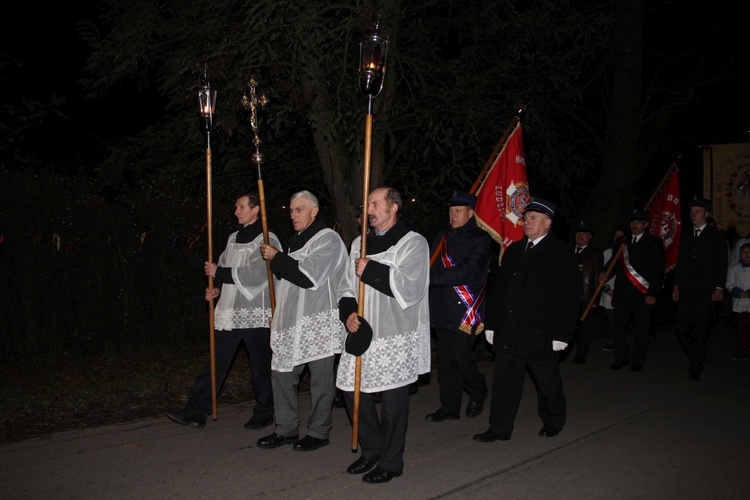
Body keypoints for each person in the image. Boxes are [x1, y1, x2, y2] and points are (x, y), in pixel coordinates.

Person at [336, 186, 430, 484]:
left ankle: (392, 461)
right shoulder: (358, 244)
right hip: (363, 332)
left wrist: (372, 269)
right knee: (353, 393)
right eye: (367, 205)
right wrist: (348, 313)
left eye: (376, 204)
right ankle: (371, 449)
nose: (369, 210)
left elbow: (410, 288)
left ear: (393, 208)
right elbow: (345, 287)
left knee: (392, 404)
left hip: (395, 333)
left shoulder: (412, 243)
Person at [473, 197, 581, 443]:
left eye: (533, 218)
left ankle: (553, 420)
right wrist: (492, 324)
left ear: (548, 223)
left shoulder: (561, 251)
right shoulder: (514, 250)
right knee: (504, 382)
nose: (527, 222)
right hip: (510, 330)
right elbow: (499, 290)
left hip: (541, 332)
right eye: (526, 218)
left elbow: (570, 296)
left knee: (546, 380)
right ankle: (499, 427)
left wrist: (562, 334)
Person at [166, 193, 277, 430]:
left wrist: (219, 274)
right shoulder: (233, 238)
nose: (236, 211)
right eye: (236, 207)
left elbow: (255, 275)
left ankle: (266, 410)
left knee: (260, 365)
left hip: (254, 312)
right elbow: (225, 269)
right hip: (230, 311)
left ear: (255, 210)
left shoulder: (266, 238)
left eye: (241, 207)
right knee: (216, 361)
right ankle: (196, 410)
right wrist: (216, 289)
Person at [256, 190, 348, 451]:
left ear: (314, 211)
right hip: (292, 320)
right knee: (282, 372)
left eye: (298, 209)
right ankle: (285, 427)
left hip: (319, 320)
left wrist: (277, 258)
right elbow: (286, 284)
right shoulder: (294, 241)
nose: (292, 214)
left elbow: (308, 277)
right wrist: (280, 310)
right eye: (291, 210)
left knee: (320, 379)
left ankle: (319, 431)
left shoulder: (327, 239)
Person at [425, 190, 492, 423]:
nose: (453, 215)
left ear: (471, 213)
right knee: (445, 362)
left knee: (459, 356)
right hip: (442, 307)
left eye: (458, 211)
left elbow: (467, 271)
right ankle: (449, 407)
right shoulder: (443, 235)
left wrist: (428, 278)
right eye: (451, 210)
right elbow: (431, 262)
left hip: (466, 310)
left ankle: (477, 389)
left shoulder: (481, 240)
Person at [672, 198, 727, 381]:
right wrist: (677, 285)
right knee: (681, 328)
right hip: (687, 290)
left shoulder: (716, 235)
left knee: (701, 331)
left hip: (707, 291)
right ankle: (695, 357)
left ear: (706, 214)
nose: (693, 215)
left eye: (697, 211)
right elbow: (682, 262)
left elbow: (721, 264)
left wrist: (719, 288)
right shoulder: (687, 235)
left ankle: (695, 368)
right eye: (692, 211)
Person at [607, 209, 664, 372]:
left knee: (641, 329)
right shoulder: (622, 242)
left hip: (642, 293)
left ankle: (638, 361)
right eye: (632, 222)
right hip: (622, 293)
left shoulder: (654, 242)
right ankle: (621, 358)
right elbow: (614, 263)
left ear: (645, 225)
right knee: (618, 327)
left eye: (638, 222)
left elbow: (658, 270)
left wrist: (653, 293)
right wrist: (605, 272)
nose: (635, 225)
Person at [568, 221, 603, 364]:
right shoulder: (568, 250)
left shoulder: (595, 254)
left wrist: (595, 299)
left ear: (590, 236)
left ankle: (581, 355)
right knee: (569, 327)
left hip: (586, 297)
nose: (580, 236)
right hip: (569, 297)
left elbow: (596, 277)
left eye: (584, 233)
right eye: (578, 233)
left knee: (584, 329)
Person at [599, 229, 626, 351]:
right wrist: (607, 289)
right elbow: (603, 272)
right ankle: (611, 341)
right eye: (616, 236)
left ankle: (616, 342)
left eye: (621, 236)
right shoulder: (608, 253)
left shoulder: (626, 253)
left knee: (617, 319)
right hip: (609, 291)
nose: (618, 239)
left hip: (621, 291)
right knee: (611, 318)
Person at [727, 243, 750, 360]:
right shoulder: (734, 268)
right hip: (740, 304)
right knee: (743, 329)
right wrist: (737, 292)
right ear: (740, 254)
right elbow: (729, 284)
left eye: (749, 252)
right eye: (744, 252)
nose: (747, 255)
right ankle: (742, 351)